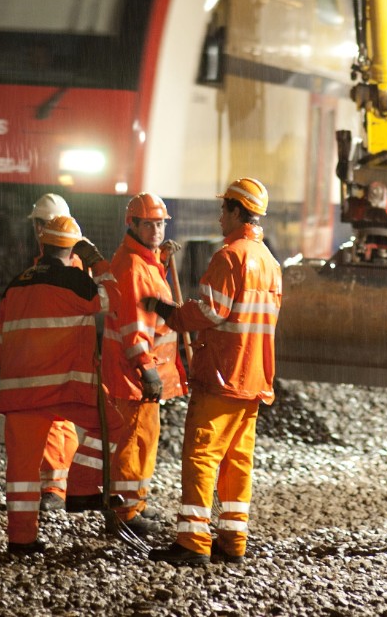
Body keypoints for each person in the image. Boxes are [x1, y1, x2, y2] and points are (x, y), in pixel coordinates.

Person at [142, 177, 282, 566]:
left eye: (224, 209)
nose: (220, 216)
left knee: (202, 456)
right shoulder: (269, 262)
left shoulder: (229, 257)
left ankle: (193, 541)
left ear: (238, 212)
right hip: (253, 379)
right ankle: (233, 539)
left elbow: (210, 311)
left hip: (222, 375)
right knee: (237, 461)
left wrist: (169, 312)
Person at [0, 214, 111, 554]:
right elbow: (112, 297)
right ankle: (83, 488)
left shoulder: (15, 284)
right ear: (73, 248)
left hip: (19, 394)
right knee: (115, 427)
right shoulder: (75, 281)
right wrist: (98, 262)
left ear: (41, 245)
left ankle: (21, 541)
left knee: (22, 472)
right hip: (61, 390)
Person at [99, 192, 188, 535]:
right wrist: (146, 369)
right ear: (132, 224)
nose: (156, 230)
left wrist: (161, 260)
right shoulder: (135, 267)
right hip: (135, 374)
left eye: (161, 223)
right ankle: (125, 515)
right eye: (148, 224)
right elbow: (134, 326)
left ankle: (133, 506)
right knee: (133, 443)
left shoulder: (143, 260)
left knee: (142, 441)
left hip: (138, 373)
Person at [26, 193, 83, 512]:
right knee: (59, 422)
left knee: (55, 421)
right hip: (53, 357)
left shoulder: (67, 268)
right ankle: (60, 485)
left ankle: (55, 488)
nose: (39, 232)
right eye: (38, 225)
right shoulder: (53, 264)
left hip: (59, 359)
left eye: (44, 225)